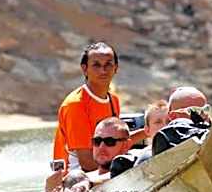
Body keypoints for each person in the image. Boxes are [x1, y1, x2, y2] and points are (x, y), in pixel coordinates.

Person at [52, 42, 144, 172]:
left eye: (108, 64)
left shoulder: (113, 99)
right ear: (84, 69)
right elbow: (87, 163)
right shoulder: (75, 105)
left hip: (102, 169)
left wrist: (149, 131)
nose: (103, 70)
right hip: (75, 177)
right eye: (96, 65)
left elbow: (115, 143)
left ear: (116, 68)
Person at [46, 116, 133, 192]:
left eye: (109, 141)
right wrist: (52, 191)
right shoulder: (77, 178)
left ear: (126, 145)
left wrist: (90, 183)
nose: (101, 147)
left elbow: (121, 175)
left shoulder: (134, 169)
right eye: (97, 141)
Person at [151, 86, 212, 156]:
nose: (203, 116)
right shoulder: (166, 137)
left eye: (205, 109)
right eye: (194, 111)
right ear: (173, 116)